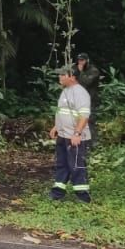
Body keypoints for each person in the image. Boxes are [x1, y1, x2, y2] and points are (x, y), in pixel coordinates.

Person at [47, 65, 91, 202]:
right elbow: (63, 112)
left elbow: (84, 115)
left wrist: (77, 134)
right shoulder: (65, 91)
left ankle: (83, 195)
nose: (59, 77)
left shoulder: (80, 93)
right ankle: (58, 192)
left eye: (62, 75)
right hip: (63, 135)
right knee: (62, 163)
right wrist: (56, 127)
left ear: (72, 77)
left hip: (75, 137)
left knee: (76, 164)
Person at [73, 51, 101, 147]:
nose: (81, 62)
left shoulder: (94, 71)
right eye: (79, 60)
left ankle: (93, 143)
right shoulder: (77, 69)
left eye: (83, 60)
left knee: (90, 121)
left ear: (87, 60)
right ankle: (81, 142)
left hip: (91, 100)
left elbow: (87, 82)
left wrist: (80, 72)